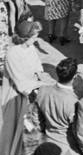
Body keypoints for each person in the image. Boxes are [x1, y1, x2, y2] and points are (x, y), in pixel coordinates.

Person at [0, 20, 45, 155]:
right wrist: (38, 86)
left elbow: (38, 68)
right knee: (14, 126)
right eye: (34, 36)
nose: (36, 39)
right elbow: (19, 81)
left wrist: (39, 78)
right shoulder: (12, 54)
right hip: (16, 95)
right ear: (25, 37)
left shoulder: (31, 48)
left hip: (32, 91)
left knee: (30, 128)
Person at [36, 58, 79, 155]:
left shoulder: (42, 90)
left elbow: (38, 118)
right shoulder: (73, 102)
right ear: (75, 76)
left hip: (47, 140)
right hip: (67, 146)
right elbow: (77, 130)